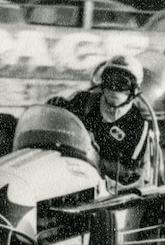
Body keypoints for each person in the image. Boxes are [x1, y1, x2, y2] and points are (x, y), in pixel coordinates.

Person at [49, 55, 151, 185]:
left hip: (105, 188)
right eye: (110, 81)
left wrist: (93, 157)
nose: (113, 89)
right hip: (65, 169)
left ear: (135, 88)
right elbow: (55, 119)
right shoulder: (83, 101)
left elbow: (128, 173)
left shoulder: (137, 123)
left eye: (122, 83)